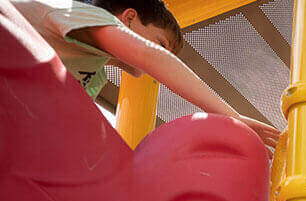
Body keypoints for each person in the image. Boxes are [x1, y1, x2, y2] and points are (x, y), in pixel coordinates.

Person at [11, 0, 279, 147]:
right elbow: (149, 57)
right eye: (162, 45)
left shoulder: (93, 74)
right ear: (128, 18)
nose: (161, 56)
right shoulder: (79, 12)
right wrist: (232, 117)